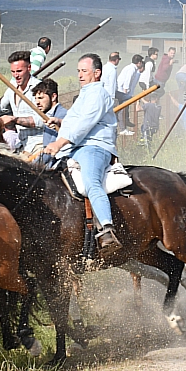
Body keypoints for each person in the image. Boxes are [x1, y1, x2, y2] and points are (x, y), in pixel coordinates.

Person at [42, 54, 122, 256]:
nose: (80, 75)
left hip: (94, 147)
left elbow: (85, 123)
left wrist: (59, 142)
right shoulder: (86, 93)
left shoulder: (98, 94)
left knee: (90, 182)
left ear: (97, 73)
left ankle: (106, 229)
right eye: (78, 71)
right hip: (75, 147)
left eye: (84, 71)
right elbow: (75, 120)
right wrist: (61, 124)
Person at [0, 50, 43, 150]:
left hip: (39, 143)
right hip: (21, 143)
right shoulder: (12, 88)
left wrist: (15, 120)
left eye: (19, 71)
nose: (16, 75)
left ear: (29, 68)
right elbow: (1, 108)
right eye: (13, 72)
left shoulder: (39, 88)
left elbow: (43, 120)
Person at [20, 79, 68, 152]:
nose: (37, 102)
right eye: (36, 98)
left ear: (53, 97)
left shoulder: (61, 115)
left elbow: (51, 149)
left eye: (41, 98)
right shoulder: (49, 115)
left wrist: (35, 163)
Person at [116, 54, 144, 134]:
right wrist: (126, 94)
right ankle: (122, 129)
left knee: (125, 109)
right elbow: (127, 82)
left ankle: (125, 123)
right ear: (139, 63)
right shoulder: (131, 69)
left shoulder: (131, 68)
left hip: (123, 91)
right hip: (122, 91)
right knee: (122, 110)